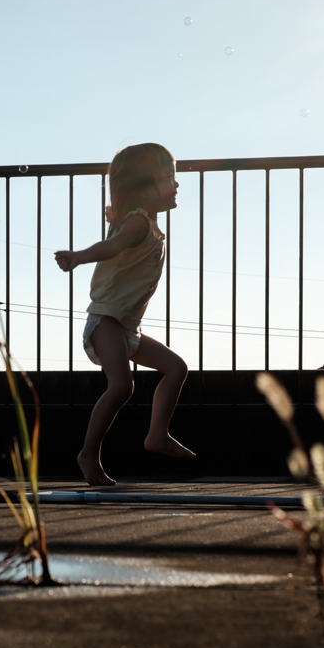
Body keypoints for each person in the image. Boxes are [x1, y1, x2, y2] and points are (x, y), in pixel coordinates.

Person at [54, 143, 193, 486]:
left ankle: (157, 436)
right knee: (121, 386)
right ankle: (88, 455)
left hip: (126, 325)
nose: (177, 185)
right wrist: (78, 257)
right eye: (169, 178)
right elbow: (111, 247)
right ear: (146, 185)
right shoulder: (138, 224)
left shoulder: (143, 225)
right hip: (106, 319)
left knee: (176, 368)